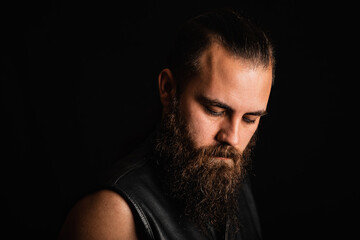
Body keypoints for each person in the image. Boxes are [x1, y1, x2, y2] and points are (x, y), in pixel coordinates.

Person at [58, 8, 275, 240]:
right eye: (215, 110)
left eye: (250, 119)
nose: (232, 138)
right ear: (168, 89)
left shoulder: (228, 181)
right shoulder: (113, 215)